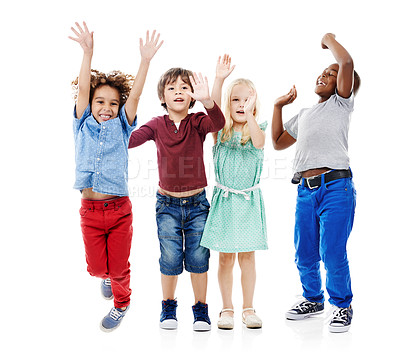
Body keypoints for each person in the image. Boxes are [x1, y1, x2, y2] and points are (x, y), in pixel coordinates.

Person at [69, 22, 162, 332]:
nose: (106, 108)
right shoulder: (82, 123)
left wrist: (145, 61)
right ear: (90, 105)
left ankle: (122, 304)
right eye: (100, 102)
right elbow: (84, 88)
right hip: (91, 212)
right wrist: (88, 53)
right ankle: (107, 275)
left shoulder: (123, 126)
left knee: (120, 268)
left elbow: (133, 97)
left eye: (112, 103)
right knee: (97, 269)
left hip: (119, 209)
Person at [271, 33, 360, 333]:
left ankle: (342, 305)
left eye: (331, 74)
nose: (325, 74)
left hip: (336, 189)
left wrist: (328, 39)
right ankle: (313, 299)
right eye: (323, 71)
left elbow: (346, 61)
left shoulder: (341, 104)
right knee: (304, 251)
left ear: (344, 85)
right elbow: (279, 141)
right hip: (305, 193)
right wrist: (278, 106)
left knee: (332, 252)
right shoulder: (306, 113)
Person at [128, 68, 225, 331]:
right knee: (170, 258)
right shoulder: (157, 124)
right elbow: (130, 139)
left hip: (197, 205)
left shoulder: (197, 122)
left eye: (184, 87)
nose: (178, 92)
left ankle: (201, 310)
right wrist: (117, 121)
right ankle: (168, 306)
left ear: (191, 95)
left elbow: (218, 123)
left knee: (198, 257)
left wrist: (208, 101)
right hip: (167, 205)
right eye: (171, 88)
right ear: (162, 96)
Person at [200, 55, 268, 330]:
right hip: (225, 203)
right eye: (236, 100)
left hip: (248, 202)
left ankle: (248, 308)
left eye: (246, 100)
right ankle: (226, 308)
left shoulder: (256, 129)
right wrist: (219, 79)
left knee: (248, 256)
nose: (241, 105)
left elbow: (260, 143)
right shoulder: (222, 131)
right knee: (225, 257)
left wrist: (250, 115)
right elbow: (212, 109)